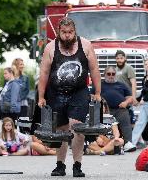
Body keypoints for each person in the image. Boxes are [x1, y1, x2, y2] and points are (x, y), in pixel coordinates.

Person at [37, 17, 101, 177]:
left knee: (77, 127)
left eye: (70, 32)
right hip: (56, 93)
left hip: (78, 92)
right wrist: (41, 96)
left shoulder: (85, 45)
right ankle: (60, 165)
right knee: (62, 130)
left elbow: (94, 69)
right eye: (64, 32)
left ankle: (77, 165)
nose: (67, 35)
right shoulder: (50, 48)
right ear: (58, 32)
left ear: (75, 31)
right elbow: (44, 72)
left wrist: (98, 92)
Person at [97, 66, 135, 152]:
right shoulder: (100, 85)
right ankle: (102, 143)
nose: (111, 76)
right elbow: (92, 95)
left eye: (113, 74)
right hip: (104, 110)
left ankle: (128, 143)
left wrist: (125, 103)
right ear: (104, 75)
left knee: (125, 121)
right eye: (109, 74)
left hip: (119, 109)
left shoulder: (121, 85)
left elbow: (130, 98)